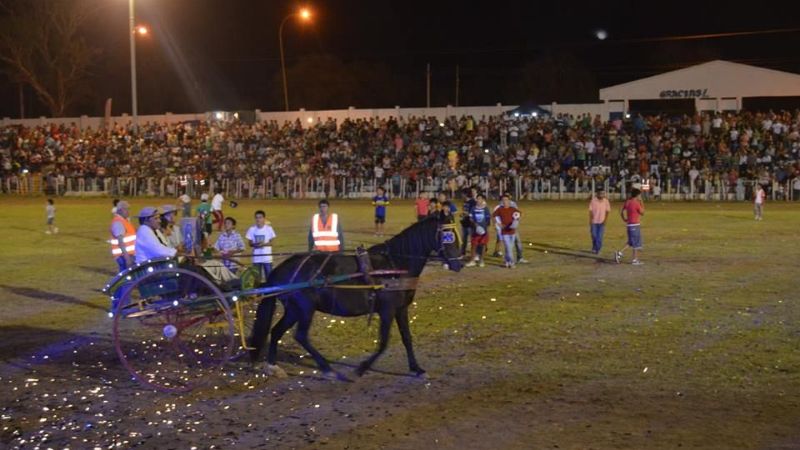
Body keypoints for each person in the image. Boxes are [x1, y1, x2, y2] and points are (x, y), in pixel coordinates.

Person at [615, 188, 645, 265]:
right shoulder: (636, 203)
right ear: (637, 195)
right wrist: (641, 202)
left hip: (629, 224)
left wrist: (623, 218)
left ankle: (619, 253)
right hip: (635, 225)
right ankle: (634, 260)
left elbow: (620, 209)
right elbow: (642, 212)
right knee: (635, 243)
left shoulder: (628, 202)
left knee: (631, 242)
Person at [492, 194, 522, 268]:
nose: (505, 202)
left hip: (512, 231)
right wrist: (497, 224)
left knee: (509, 249)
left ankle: (507, 261)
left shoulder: (513, 209)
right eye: (503, 200)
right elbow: (493, 216)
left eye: (506, 200)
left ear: (509, 201)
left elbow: (519, 215)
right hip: (504, 232)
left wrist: (516, 222)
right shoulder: (500, 209)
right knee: (508, 247)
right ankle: (512, 262)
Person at [246, 210, 277, 279]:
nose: (258, 219)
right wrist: (254, 244)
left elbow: (272, 242)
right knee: (257, 279)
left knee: (269, 277)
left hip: (267, 258)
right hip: (256, 258)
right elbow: (249, 243)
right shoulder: (252, 229)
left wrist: (264, 244)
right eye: (256, 217)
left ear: (264, 218)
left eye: (260, 217)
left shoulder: (269, 229)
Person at [109, 200, 136, 272]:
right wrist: (127, 258)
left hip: (128, 255)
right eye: (126, 209)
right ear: (121, 210)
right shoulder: (118, 222)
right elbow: (120, 241)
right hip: (124, 256)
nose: (128, 212)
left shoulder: (124, 221)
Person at [465, 194, 490, 267]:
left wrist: (485, 229)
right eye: (477, 199)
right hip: (475, 230)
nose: (478, 200)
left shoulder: (486, 209)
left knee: (483, 245)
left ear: (483, 200)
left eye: (480, 199)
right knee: (474, 245)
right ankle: (472, 260)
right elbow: (471, 218)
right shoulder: (473, 208)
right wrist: (475, 225)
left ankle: (481, 260)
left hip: (483, 231)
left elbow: (488, 220)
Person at [588, 188, 611, 254]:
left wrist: (605, 220)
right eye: (601, 193)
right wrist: (590, 219)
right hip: (594, 221)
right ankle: (594, 246)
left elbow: (607, 211)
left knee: (600, 237)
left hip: (602, 221)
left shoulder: (606, 201)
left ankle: (598, 249)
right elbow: (590, 210)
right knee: (594, 235)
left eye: (603, 193)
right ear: (597, 193)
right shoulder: (593, 200)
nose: (602, 195)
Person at [460, 187, 477, 257]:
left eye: (462, 194)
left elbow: (474, 213)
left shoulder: (473, 202)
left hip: (470, 224)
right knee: (464, 239)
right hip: (464, 222)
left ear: (465, 194)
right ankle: (462, 253)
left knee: (473, 239)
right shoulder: (465, 202)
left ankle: (474, 254)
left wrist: (467, 214)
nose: (461, 195)